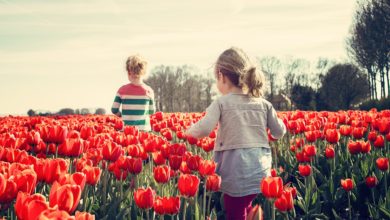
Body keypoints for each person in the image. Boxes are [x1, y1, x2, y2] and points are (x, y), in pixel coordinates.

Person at [186, 47, 286, 220]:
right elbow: (279, 131)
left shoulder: (221, 103)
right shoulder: (263, 104)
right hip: (260, 171)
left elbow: (204, 128)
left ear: (221, 76)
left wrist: (187, 131)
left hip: (235, 171)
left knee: (235, 211)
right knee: (246, 205)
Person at [111, 54, 155, 131]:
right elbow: (152, 111)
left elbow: (114, 109)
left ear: (128, 72)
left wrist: (122, 115)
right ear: (144, 73)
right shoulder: (149, 91)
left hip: (127, 130)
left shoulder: (122, 90)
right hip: (143, 130)